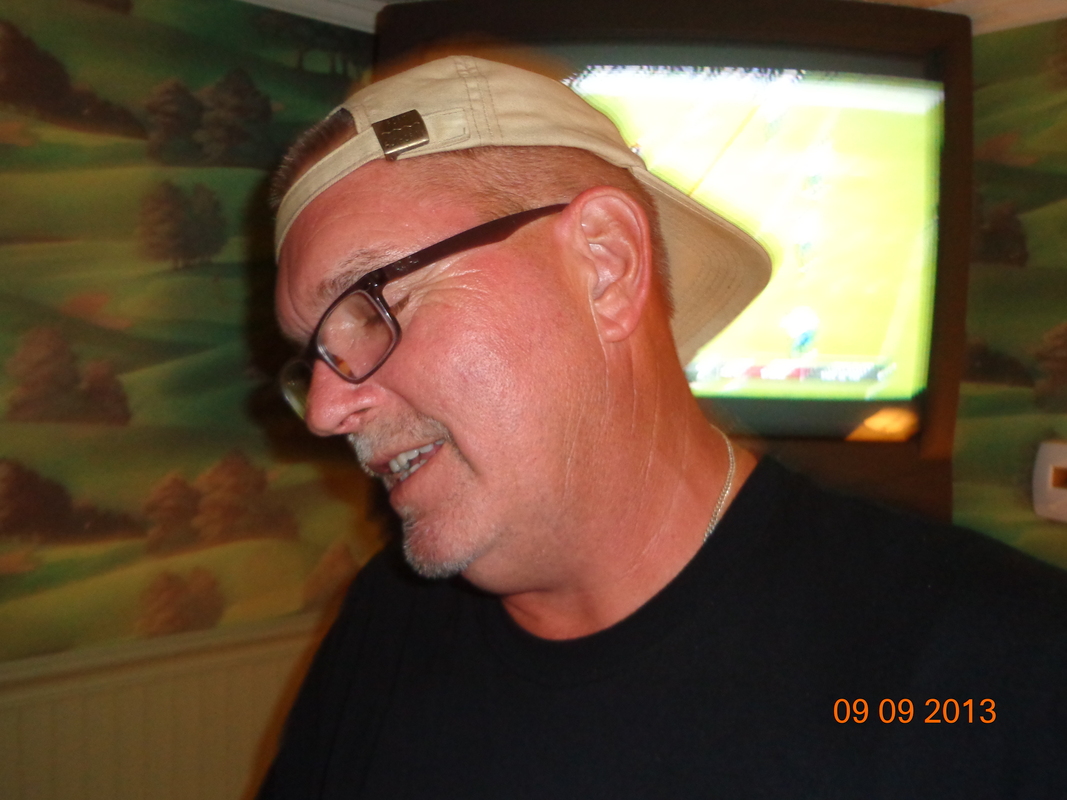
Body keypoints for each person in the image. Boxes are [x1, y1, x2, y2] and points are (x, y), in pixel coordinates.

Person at [260, 56, 1067, 799]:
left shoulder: (1001, 670)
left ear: (604, 265)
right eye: (313, 358)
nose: (326, 412)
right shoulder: (386, 622)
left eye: (369, 306)